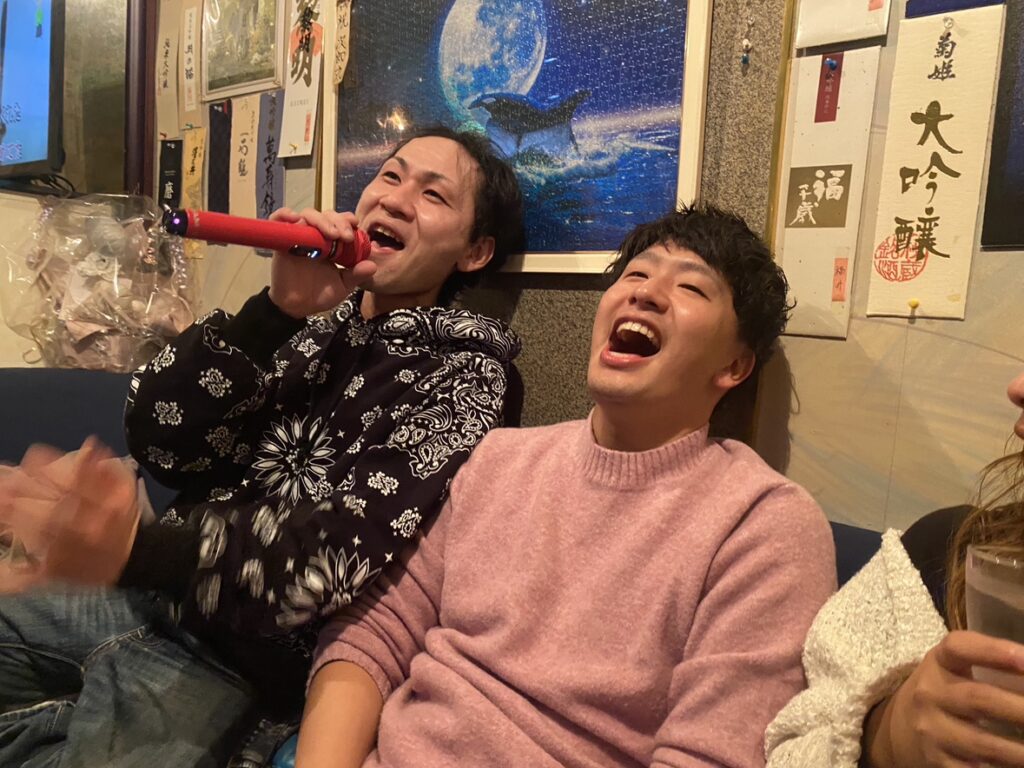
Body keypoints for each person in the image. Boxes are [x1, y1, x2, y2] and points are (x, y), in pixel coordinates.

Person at [0, 125, 525, 767]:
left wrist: (136, 550)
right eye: (391, 175)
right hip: (143, 601)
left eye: (433, 195)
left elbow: (338, 554)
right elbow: (163, 443)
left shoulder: (469, 375)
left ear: (475, 252)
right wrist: (276, 311)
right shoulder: (312, 326)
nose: (394, 198)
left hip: (239, 663)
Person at [295, 204, 837, 768]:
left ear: (734, 367)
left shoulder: (764, 525)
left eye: (691, 289)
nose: (645, 294)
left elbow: (710, 755)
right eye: (636, 274)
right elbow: (376, 633)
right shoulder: (498, 460)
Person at [765, 371, 1024, 767]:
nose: (1017, 389)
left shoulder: (770, 517)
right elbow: (791, 749)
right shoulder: (941, 556)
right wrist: (882, 738)